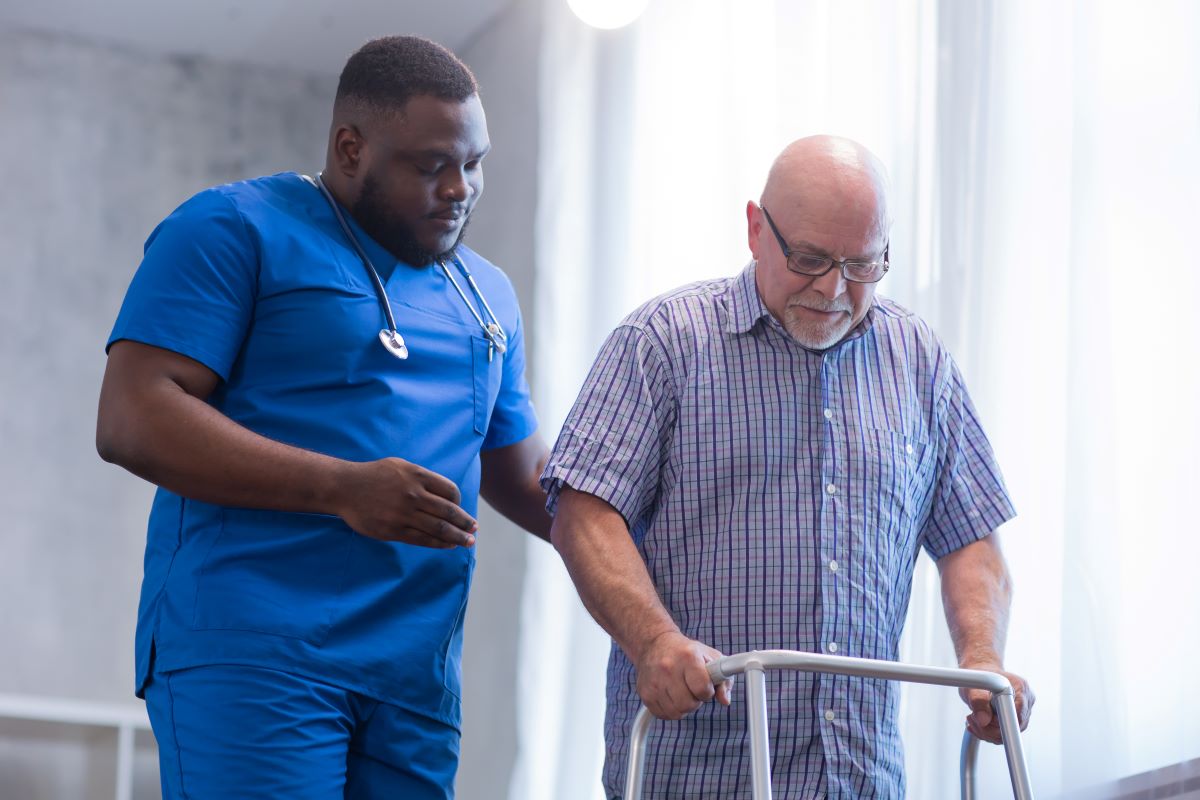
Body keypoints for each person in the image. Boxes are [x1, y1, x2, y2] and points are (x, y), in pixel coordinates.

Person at [95, 35, 549, 800]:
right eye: (431, 165)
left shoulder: (486, 295)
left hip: (414, 675)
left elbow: (525, 473)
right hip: (255, 653)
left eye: (473, 164)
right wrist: (343, 487)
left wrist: (661, 539)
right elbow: (133, 416)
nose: (460, 189)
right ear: (350, 148)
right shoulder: (235, 229)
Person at [541, 135, 1034, 798]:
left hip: (860, 778)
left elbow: (970, 536)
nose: (833, 289)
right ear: (754, 228)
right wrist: (654, 642)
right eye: (809, 259)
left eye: (864, 265)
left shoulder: (920, 362)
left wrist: (981, 660)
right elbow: (584, 513)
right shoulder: (662, 343)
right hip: (695, 776)